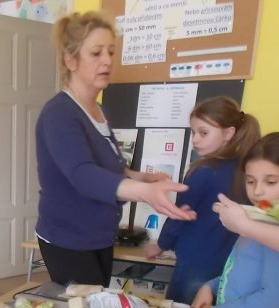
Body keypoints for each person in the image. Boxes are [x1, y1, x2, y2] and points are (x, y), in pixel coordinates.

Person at [35, 12, 195, 287]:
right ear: (71, 60)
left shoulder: (98, 110)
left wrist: (142, 178)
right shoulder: (59, 113)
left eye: (110, 51)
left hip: (99, 234)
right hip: (69, 238)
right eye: (96, 53)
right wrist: (143, 192)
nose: (108, 61)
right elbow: (83, 174)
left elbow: (108, 167)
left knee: (97, 304)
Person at [191, 132, 279, 308]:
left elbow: (273, 300)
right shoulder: (257, 220)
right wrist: (210, 287)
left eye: (271, 182)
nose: (257, 192)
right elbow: (241, 273)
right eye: (251, 181)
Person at [145, 97, 260, 304]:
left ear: (228, 133)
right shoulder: (248, 170)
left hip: (196, 261)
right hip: (229, 263)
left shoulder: (203, 170)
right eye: (193, 132)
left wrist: (160, 245)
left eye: (203, 133)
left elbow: (179, 214)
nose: (195, 139)